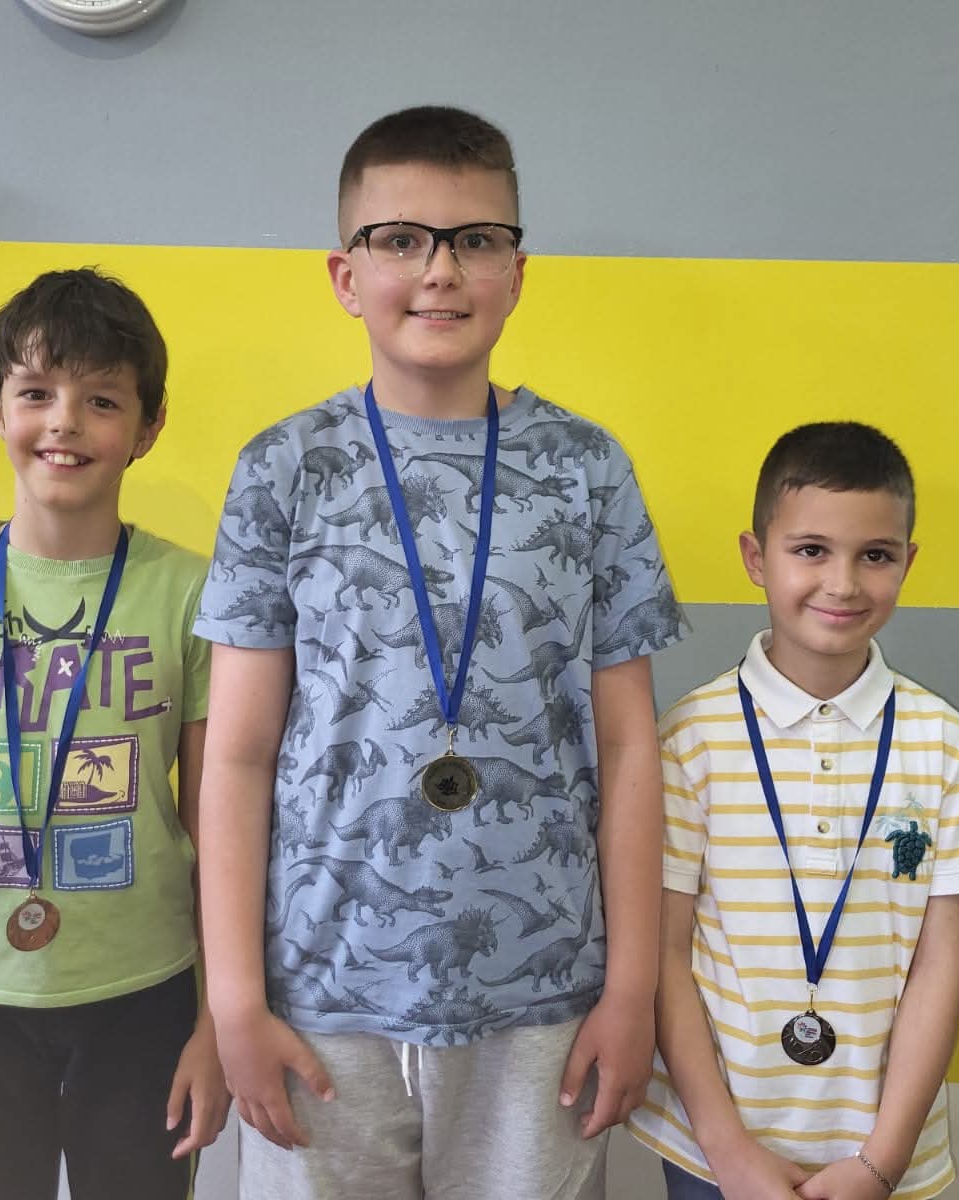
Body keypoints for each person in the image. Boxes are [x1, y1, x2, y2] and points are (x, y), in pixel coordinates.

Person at [192, 104, 685, 1199]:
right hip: (321, 998)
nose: (440, 270)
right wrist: (233, 1000)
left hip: (544, 1005)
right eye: (402, 239)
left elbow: (627, 748)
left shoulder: (587, 469)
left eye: (477, 240)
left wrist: (631, 992)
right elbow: (236, 754)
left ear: (516, 270)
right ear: (345, 274)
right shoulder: (283, 468)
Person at [0, 267, 227, 1198]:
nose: (65, 422)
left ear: (148, 427)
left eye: (101, 400)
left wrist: (216, 1026)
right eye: (36, 393)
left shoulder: (194, 595)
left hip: (144, 992)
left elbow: (218, 829)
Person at [628, 422, 959, 1199]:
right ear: (755, 558)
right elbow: (664, 956)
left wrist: (883, 1160)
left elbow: (941, 964)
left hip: (882, 1152)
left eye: (874, 555)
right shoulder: (688, 739)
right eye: (811, 550)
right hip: (715, 1152)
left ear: (907, 562)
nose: (842, 583)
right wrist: (728, 1150)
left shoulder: (942, 742)